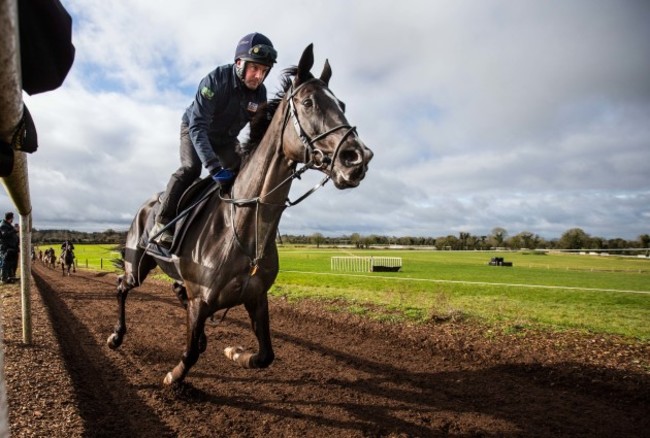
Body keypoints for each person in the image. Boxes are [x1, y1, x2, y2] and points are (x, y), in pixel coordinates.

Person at [151, 32, 278, 246]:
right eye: (254, 68)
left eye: (264, 71)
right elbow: (198, 126)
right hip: (195, 128)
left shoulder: (260, 94)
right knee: (192, 168)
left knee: (245, 172)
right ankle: (162, 221)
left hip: (226, 139)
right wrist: (214, 167)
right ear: (239, 63)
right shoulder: (215, 80)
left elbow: (259, 134)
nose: (258, 76)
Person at [0, 212, 19, 283]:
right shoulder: (3, 225)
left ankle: (11, 277)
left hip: (11, 248)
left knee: (11, 263)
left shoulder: (7, 225)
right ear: (11, 218)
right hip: (6, 248)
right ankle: (4, 279)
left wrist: (15, 231)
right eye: (13, 217)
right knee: (5, 263)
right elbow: (4, 235)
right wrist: (14, 230)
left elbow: (10, 234)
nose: (13, 219)